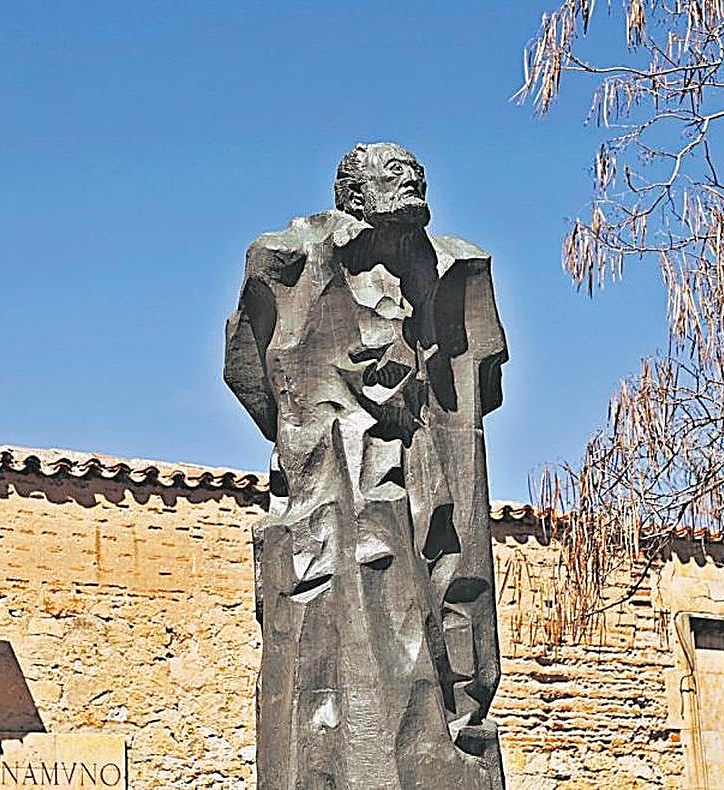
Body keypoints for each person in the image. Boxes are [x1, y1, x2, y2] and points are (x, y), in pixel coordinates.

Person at [225, 142, 508, 789]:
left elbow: (481, 384)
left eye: (415, 171)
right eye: (392, 172)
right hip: (337, 490)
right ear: (353, 194)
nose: (412, 178)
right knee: (354, 640)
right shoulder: (292, 264)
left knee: (453, 614)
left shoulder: (456, 274)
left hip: (431, 469)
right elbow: (251, 371)